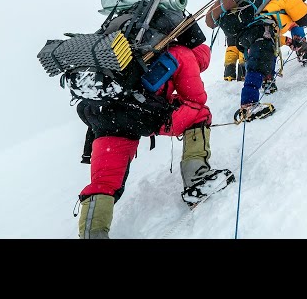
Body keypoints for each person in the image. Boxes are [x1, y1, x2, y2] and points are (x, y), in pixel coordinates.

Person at [76, 38, 233, 239]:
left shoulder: (136, 47)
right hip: (139, 115)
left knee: (105, 179)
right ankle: (198, 179)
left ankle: (92, 233)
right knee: (199, 113)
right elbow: (196, 99)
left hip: (103, 114)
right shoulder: (184, 53)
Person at [206, 0, 307, 123]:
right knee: (260, 60)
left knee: (261, 56)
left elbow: (276, 34)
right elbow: (306, 18)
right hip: (260, 29)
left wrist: (288, 42)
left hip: (242, 31)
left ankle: (268, 82)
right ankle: (249, 104)